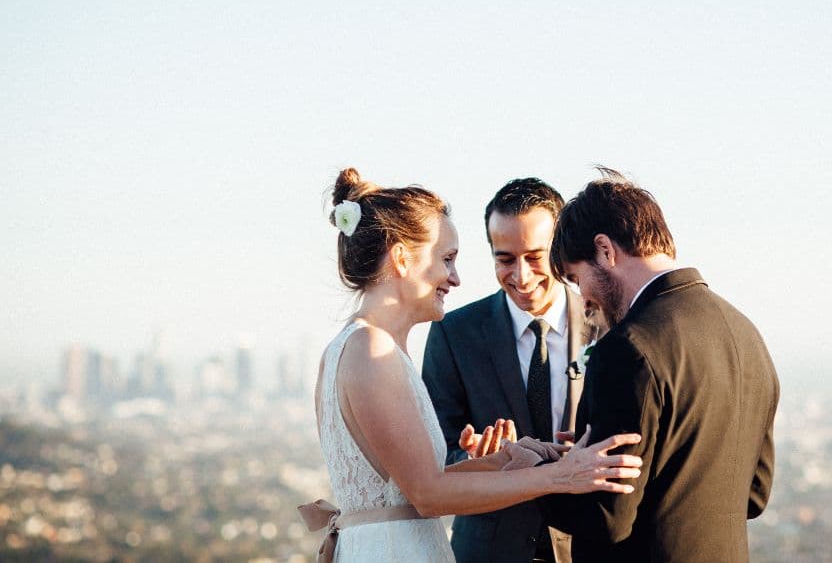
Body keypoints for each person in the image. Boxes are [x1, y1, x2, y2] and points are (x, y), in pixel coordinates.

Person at [303, 168, 642, 563]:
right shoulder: (370, 349)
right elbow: (427, 494)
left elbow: (408, 486)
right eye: (446, 259)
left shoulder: (365, 345)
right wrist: (560, 476)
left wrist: (505, 459)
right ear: (400, 258)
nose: (456, 278)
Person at [538, 168, 780, 562]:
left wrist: (539, 472)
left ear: (605, 250)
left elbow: (606, 519)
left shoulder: (627, 349)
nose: (583, 299)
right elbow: (753, 495)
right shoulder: (746, 334)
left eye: (575, 277)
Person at [423, 178, 601, 563]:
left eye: (535, 257)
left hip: (588, 545)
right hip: (488, 551)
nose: (520, 276)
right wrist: (473, 460)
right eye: (505, 260)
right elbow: (434, 457)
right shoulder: (453, 334)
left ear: (561, 249)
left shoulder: (607, 327)